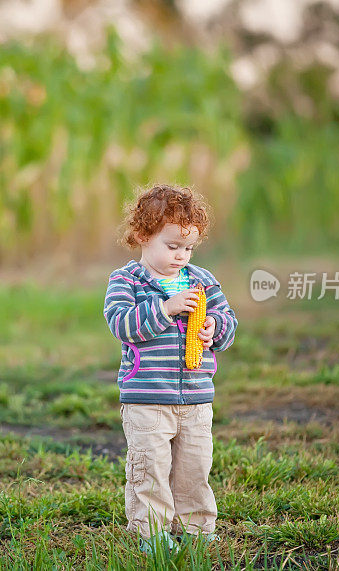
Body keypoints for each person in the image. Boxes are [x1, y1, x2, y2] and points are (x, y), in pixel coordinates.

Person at [102, 183, 238, 554]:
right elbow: (122, 324)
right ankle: (151, 534)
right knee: (151, 470)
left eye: (189, 248)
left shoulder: (202, 281)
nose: (181, 256)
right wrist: (165, 309)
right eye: (172, 246)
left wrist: (214, 328)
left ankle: (196, 528)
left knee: (195, 469)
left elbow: (228, 322)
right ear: (144, 236)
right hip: (147, 399)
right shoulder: (126, 281)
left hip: (195, 398)